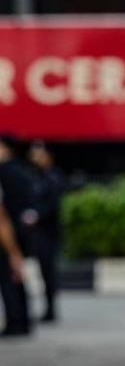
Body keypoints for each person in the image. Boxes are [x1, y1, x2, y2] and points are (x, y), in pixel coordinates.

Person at [24, 141, 65, 323]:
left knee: (48, 271)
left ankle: (51, 309)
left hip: (49, 231)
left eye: (39, 154)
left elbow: (53, 205)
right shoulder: (34, 176)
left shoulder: (54, 177)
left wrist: (36, 215)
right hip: (36, 232)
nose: (35, 158)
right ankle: (47, 308)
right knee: (41, 271)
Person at [0, 133, 34, 337]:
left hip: (7, 235)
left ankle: (16, 322)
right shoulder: (22, 172)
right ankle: (22, 321)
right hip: (19, 233)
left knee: (9, 278)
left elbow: (2, 216)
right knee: (17, 277)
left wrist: (12, 249)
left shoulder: (5, 172)